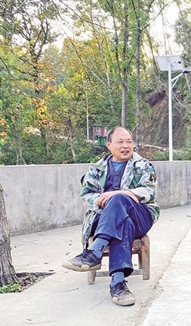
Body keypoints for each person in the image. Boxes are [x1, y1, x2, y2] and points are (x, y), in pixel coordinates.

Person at [62, 126, 160, 306]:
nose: (126, 146)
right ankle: (118, 283)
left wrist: (117, 194)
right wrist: (103, 201)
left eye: (129, 142)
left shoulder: (143, 165)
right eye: (120, 142)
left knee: (119, 199)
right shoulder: (96, 169)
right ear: (109, 145)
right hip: (106, 218)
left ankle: (94, 251)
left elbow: (148, 191)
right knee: (123, 223)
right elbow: (86, 195)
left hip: (140, 215)